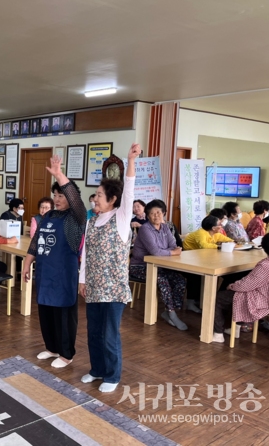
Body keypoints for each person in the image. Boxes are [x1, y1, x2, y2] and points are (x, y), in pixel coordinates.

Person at [78, 143, 141, 393]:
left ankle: (113, 376)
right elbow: (86, 253)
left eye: (100, 195)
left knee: (109, 333)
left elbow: (130, 191)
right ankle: (97, 370)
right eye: (95, 195)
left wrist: (131, 161)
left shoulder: (122, 217)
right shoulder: (92, 221)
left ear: (112, 200)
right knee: (93, 331)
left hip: (113, 289)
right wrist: (81, 280)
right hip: (92, 285)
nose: (95, 198)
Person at [22, 156, 86, 369]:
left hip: (64, 274)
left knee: (64, 316)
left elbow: (76, 200)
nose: (57, 199)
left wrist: (59, 174)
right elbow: (35, 242)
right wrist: (27, 263)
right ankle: (51, 347)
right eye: (55, 195)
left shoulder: (76, 218)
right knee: (46, 312)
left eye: (62, 195)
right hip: (45, 273)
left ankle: (67, 354)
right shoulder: (48, 215)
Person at [212, 232, 269, 343]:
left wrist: (232, 286)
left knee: (218, 297)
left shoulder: (266, 265)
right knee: (236, 294)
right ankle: (236, 328)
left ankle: (218, 334)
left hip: (266, 301)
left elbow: (246, 285)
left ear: (265, 248)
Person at [129, 200, 188, 330]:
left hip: (160, 266)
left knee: (179, 280)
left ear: (164, 213)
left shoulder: (165, 227)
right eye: (152, 213)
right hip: (140, 267)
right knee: (162, 279)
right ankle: (172, 314)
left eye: (159, 213)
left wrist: (171, 251)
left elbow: (173, 245)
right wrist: (172, 252)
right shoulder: (145, 229)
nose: (156, 216)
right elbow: (155, 252)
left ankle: (169, 311)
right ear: (147, 216)